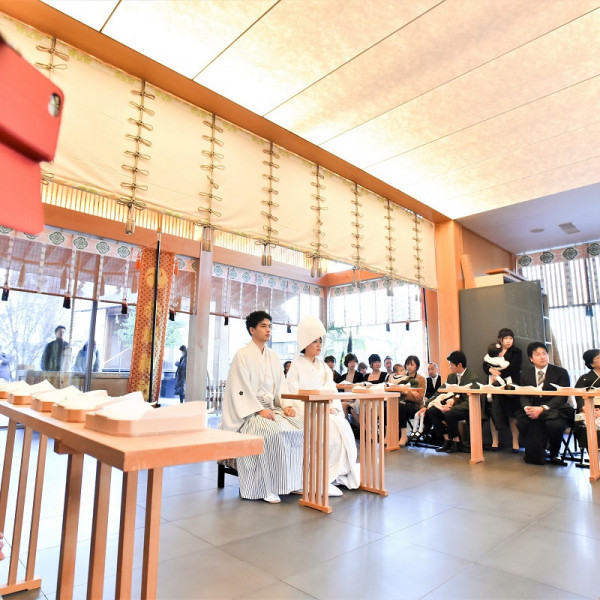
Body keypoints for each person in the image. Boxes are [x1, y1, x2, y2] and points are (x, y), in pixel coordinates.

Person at [221, 310, 303, 503]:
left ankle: (291, 482)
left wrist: (286, 406)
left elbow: (281, 384)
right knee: (271, 432)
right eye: (263, 326)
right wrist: (259, 410)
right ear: (252, 330)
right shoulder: (242, 355)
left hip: (271, 409)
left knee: (299, 426)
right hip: (249, 412)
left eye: (270, 326)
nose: (268, 330)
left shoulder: (273, 356)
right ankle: (265, 486)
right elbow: (239, 388)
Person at [285, 316, 360, 495]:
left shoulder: (324, 367)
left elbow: (331, 389)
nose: (319, 345)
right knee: (330, 432)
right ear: (304, 343)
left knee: (341, 426)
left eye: (320, 341)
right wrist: (310, 408)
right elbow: (292, 393)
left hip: (326, 409)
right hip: (308, 410)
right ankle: (321, 477)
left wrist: (332, 406)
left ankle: (337, 474)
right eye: (314, 341)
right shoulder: (296, 366)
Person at [516, 341, 572, 466]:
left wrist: (543, 408)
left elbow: (562, 397)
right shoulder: (525, 374)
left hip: (556, 408)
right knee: (522, 422)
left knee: (554, 425)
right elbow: (523, 394)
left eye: (544, 353)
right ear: (531, 358)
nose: (542, 357)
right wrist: (527, 408)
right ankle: (536, 451)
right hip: (533, 408)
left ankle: (554, 453)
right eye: (537, 354)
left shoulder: (561, 372)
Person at [428, 350, 480, 453]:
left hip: (466, 408)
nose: (450, 367)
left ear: (459, 365)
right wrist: (427, 404)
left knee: (450, 413)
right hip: (450, 406)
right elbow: (440, 391)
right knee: (432, 411)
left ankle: (456, 441)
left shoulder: (472, 378)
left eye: (451, 364)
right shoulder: (451, 377)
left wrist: (452, 407)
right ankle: (447, 439)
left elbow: (469, 401)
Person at [483, 328, 522, 452]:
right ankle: (495, 441)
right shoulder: (494, 349)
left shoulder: (516, 352)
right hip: (493, 384)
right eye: (506, 338)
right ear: (500, 339)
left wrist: (498, 374)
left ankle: (515, 442)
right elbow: (485, 364)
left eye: (511, 338)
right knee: (493, 412)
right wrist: (490, 370)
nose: (508, 341)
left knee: (512, 413)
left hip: (510, 385)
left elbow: (514, 368)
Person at [573, 349, 600, 451]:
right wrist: (587, 408)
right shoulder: (584, 379)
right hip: (589, 409)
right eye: (598, 357)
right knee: (584, 422)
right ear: (592, 364)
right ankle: (594, 458)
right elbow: (578, 395)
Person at [395, 356, 426, 446]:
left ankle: (404, 436)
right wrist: (411, 392)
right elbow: (397, 392)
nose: (409, 367)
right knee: (388, 408)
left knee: (401, 407)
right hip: (402, 404)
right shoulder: (403, 378)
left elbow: (419, 398)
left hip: (415, 407)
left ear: (417, 366)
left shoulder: (421, 379)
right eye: (407, 364)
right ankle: (389, 435)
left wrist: (405, 392)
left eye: (412, 364)